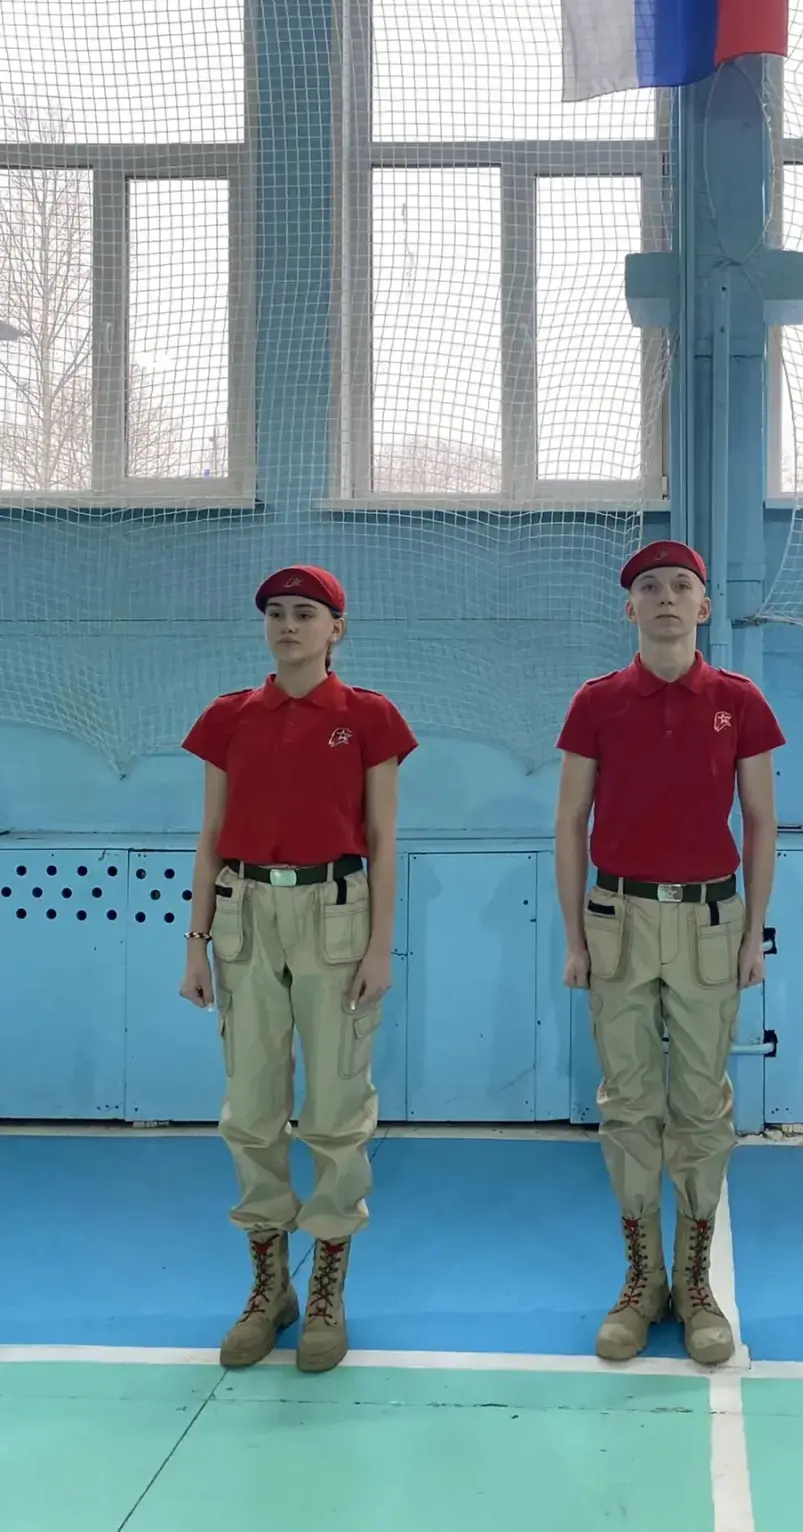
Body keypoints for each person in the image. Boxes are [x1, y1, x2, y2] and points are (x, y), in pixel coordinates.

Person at [179, 566, 417, 1373]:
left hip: (335, 913)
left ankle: (327, 1290)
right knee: (251, 1108)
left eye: (305, 613)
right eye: (276, 613)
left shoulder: (370, 718)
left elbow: (383, 839)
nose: (288, 625)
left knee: (337, 1109)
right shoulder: (228, 718)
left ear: (335, 629)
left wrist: (380, 945)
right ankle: (269, 1284)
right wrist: (196, 942)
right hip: (244, 914)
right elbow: (211, 835)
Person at [555, 541, 784, 1367]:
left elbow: (760, 819)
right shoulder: (598, 702)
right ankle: (640, 1278)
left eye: (681, 585)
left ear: (704, 607)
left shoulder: (738, 700)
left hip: (709, 921)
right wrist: (575, 936)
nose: (664, 596)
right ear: (629, 608)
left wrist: (754, 929)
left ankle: (693, 1282)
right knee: (627, 1103)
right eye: (648, 586)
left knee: (700, 1104)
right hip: (618, 917)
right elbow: (570, 821)